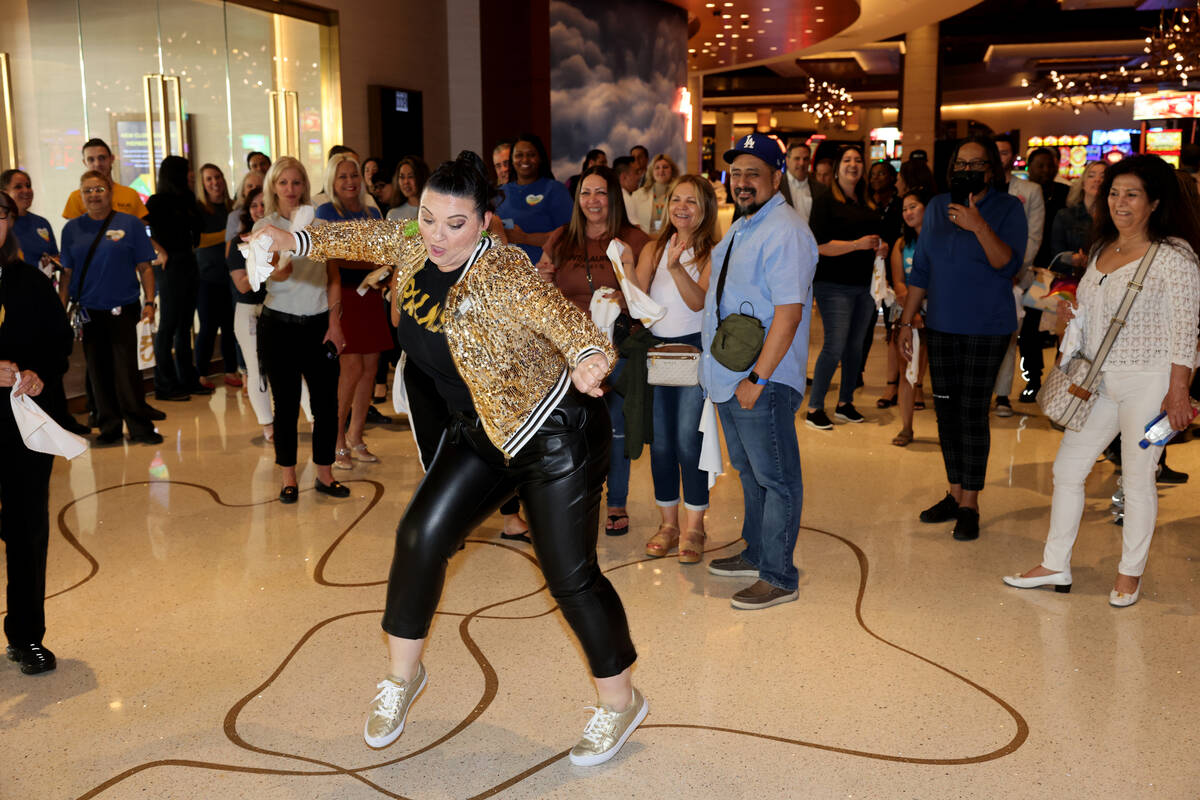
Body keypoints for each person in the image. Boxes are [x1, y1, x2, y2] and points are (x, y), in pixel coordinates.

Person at [255, 151, 646, 766]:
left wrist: (591, 356)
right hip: (481, 431)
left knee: (569, 576)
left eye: (455, 224)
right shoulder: (414, 242)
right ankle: (403, 678)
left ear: (486, 222)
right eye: (429, 219)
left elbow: (566, 323)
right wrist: (293, 234)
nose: (437, 236)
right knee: (419, 536)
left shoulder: (505, 274)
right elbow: (358, 233)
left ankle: (621, 703)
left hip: (552, 434)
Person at [1003, 155, 1200, 607]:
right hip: (1098, 379)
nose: (1120, 202)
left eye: (1132, 194)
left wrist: (1178, 389)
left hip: (1150, 379)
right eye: (1114, 193)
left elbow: (1185, 329)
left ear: (1153, 202)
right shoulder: (1101, 250)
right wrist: (1069, 318)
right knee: (1068, 469)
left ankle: (1130, 574)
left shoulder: (1175, 256)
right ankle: (1056, 562)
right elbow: (1091, 316)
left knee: (1138, 477)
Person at [701, 133, 818, 610]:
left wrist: (759, 380)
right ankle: (756, 553)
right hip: (734, 375)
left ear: (776, 177)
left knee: (777, 478)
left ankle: (779, 575)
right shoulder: (745, 225)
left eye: (755, 173)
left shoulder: (785, 229)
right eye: (738, 173)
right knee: (750, 475)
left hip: (760, 380)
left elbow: (789, 314)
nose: (743, 182)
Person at [896, 136, 1027, 541]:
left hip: (988, 325)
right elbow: (922, 271)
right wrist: (905, 320)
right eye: (960, 163)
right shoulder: (936, 207)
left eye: (976, 163)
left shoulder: (1007, 209)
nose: (966, 170)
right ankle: (954, 493)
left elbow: (1007, 265)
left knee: (971, 413)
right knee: (946, 411)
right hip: (942, 324)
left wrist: (977, 225)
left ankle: (970, 502)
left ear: (991, 170)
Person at [536, 165, 650, 535]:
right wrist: (544, 280)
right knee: (569, 431)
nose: (593, 201)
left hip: (617, 348)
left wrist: (625, 294)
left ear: (613, 197)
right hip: (569, 351)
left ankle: (616, 500)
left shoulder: (634, 238)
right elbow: (544, 295)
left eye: (600, 193)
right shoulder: (561, 238)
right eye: (585, 193)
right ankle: (576, 498)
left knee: (614, 427)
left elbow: (649, 299)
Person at [1, 188, 74, 675]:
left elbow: (59, 341)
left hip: (24, 421)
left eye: (1, 215)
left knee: (28, 530)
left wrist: (39, 372)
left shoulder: (27, 281)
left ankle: (26, 635)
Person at [253, 156, 349, 503]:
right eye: (283, 183)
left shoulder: (319, 224)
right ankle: (288, 477)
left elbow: (334, 277)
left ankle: (325, 473)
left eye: (296, 183)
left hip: (319, 324)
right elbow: (273, 275)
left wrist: (335, 324)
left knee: (326, 405)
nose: (291, 190)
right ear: (273, 188)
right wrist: (282, 252)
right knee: (287, 405)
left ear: (304, 187)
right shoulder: (266, 225)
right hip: (279, 325)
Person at [634, 175, 717, 562]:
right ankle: (668, 524)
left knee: (689, 441)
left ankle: (694, 526)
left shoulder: (711, 253)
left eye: (692, 201)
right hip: (656, 354)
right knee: (662, 442)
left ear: (705, 210)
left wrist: (676, 266)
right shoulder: (653, 247)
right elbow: (638, 302)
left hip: (692, 354)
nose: (682, 207)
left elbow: (699, 303)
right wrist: (625, 272)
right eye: (676, 200)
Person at [60, 170, 162, 445]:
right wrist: (61, 310)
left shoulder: (131, 224)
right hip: (89, 311)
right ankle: (109, 428)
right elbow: (66, 275)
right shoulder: (71, 230)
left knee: (128, 371)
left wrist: (150, 302)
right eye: (88, 190)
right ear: (81, 196)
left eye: (99, 189)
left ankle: (140, 427)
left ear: (110, 192)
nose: (94, 195)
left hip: (125, 309)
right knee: (98, 371)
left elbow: (145, 267)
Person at [804, 145, 888, 430]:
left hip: (864, 284)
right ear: (838, 167)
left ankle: (845, 403)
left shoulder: (867, 201)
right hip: (833, 284)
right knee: (835, 344)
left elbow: (875, 237)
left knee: (855, 347)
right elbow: (819, 246)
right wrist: (857, 245)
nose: (853, 164)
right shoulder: (826, 200)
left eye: (858, 160)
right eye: (847, 160)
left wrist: (880, 247)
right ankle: (815, 407)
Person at [315, 153, 390, 469]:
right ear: (332, 180)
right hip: (341, 295)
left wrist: (378, 264)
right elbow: (324, 258)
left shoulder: (372, 211)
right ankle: (336, 440)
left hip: (369, 295)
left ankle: (357, 437)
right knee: (349, 372)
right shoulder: (325, 211)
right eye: (342, 176)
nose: (349, 181)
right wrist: (363, 259)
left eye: (354, 175)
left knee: (370, 369)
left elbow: (385, 250)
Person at [991, 134, 1046, 416]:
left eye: (1006, 153)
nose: (1001, 157)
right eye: (996, 152)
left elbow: (1033, 237)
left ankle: (1002, 394)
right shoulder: (979, 189)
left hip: (1017, 275)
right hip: (981, 274)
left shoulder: (1030, 191)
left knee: (1009, 336)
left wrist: (1014, 268)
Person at [146, 156, 208, 401]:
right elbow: (140, 228)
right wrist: (158, 250)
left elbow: (198, 230)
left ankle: (187, 379)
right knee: (168, 325)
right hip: (169, 264)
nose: (191, 174)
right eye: (187, 171)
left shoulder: (187, 198)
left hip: (188, 261)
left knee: (184, 325)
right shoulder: (157, 201)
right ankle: (165, 383)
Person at [1012, 146, 1068, 405]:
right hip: (1030, 272)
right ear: (1029, 167)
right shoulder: (1018, 196)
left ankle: (1062, 383)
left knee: (1065, 332)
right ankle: (1033, 380)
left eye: (1050, 165)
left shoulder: (1066, 194)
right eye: (1040, 165)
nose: (1045, 170)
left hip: (1061, 272)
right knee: (1029, 331)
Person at [226, 187, 274, 441]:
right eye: (254, 205)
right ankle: (267, 424)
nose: (259, 210)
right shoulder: (237, 242)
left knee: (289, 366)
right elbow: (243, 284)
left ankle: (311, 419)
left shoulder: (281, 237)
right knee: (256, 369)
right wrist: (268, 265)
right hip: (247, 312)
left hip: (274, 307)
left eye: (264, 205)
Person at [888, 189, 931, 447]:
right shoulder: (902, 244)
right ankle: (906, 428)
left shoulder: (940, 240)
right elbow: (899, 284)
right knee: (906, 372)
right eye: (904, 209)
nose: (908, 213)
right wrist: (912, 313)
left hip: (938, 313)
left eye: (913, 206)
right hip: (907, 313)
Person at [194, 163, 239, 389]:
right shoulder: (199, 209)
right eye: (209, 179)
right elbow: (199, 241)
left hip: (231, 276)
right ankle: (200, 373)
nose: (215, 182)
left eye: (218, 177)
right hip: (207, 277)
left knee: (230, 327)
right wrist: (229, 233)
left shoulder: (233, 208)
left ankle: (230, 370)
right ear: (203, 184)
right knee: (208, 328)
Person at [495, 133, 573, 263]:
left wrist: (525, 238)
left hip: (544, 274)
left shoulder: (555, 190)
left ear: (540, 158)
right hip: (506, 274)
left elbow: (569, 236)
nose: (525, 160)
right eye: (519, 155)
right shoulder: (499, 194)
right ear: (512, 160)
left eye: (531, 155)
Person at [61, 139, 149, 221]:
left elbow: (139, 230)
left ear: (112, 159)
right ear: (85, 163)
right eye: (91, 160)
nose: (97, 164)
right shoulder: (76, 197)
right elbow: (75, 232)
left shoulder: (130, 194)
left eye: (102, 158)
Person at [1049, 160, 1105, 277]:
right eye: (1091, 176)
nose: (1097, 180)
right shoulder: (1065, 215)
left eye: (1103, 176)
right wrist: (1072, 258)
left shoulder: (1116, 218)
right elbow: (1055, 256)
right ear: (1083, 183)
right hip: (1071, 281)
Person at [1, 170, 59, 278]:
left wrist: (50, 263)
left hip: (41, 289)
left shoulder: (42, 223)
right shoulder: (2, 224)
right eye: (18, 187)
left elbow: (54, 257)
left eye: (28, 186)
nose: (26, 190)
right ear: (4, 192)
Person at [629, 153, 680, 235]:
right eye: (657, 168)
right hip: (644, 242)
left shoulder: (679, 194)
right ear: (652, 172)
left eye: (665, 167)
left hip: (670, 242)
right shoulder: (638, 195)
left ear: (672, 170)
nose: (661, 171)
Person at [779, 140, 825, 223]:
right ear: (787, 161)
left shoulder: (821, 190)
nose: (801, 163)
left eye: (806, 159)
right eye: (797, 159)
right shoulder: (776, 187)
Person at [225, 170, 265, 252]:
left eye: (258, 187)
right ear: (243, 191)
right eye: (250, 186)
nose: (253, 190)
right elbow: (229, 252)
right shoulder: (234, 216)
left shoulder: (272, 213)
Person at [385, 157, 429, 222]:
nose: (406, 182)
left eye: (410, 176)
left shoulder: (434, 211)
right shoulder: (393, 214)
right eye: (402, 177)